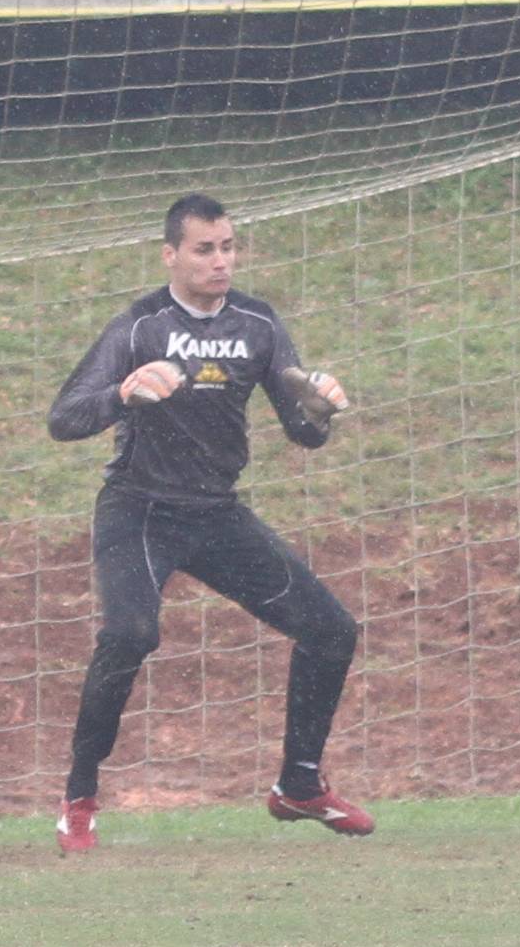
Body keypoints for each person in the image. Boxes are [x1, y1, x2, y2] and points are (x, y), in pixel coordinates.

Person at [47, 192, 371, 853]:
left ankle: (299, 786)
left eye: (227, 247)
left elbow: (302, 432)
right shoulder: (141, 326)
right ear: (171, 254)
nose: (220, 261)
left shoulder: (258, 323)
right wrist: (122, 392)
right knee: (130, 633)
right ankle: (79, 796)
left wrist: (319, 409)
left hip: (215, 514)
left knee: (332, 631)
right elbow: (63, 417)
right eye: (204, 249)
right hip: (139, 509)